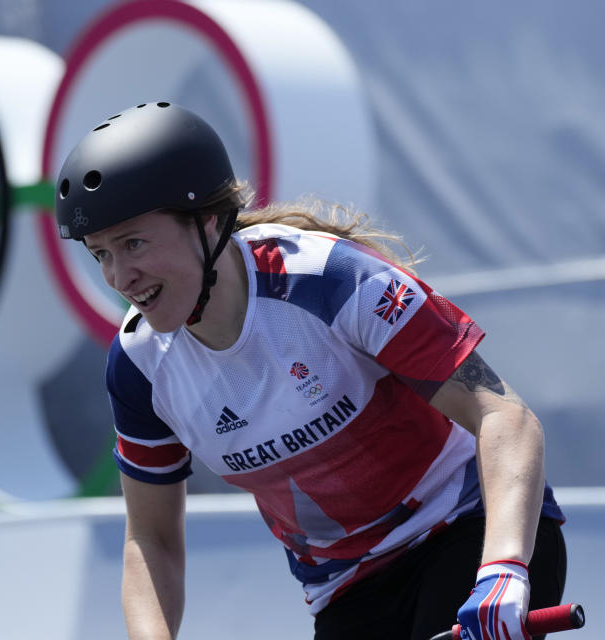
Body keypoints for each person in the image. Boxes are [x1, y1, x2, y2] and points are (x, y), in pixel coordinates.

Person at [54, 101, 567, 640]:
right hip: (349, 587)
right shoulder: (138, 366)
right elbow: (150, 540)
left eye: (133, 244)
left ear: (207, 222)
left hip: (471, 529)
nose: (120, 277)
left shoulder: (330, 280)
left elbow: (505, 417)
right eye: (100, 255)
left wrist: (504, 567)